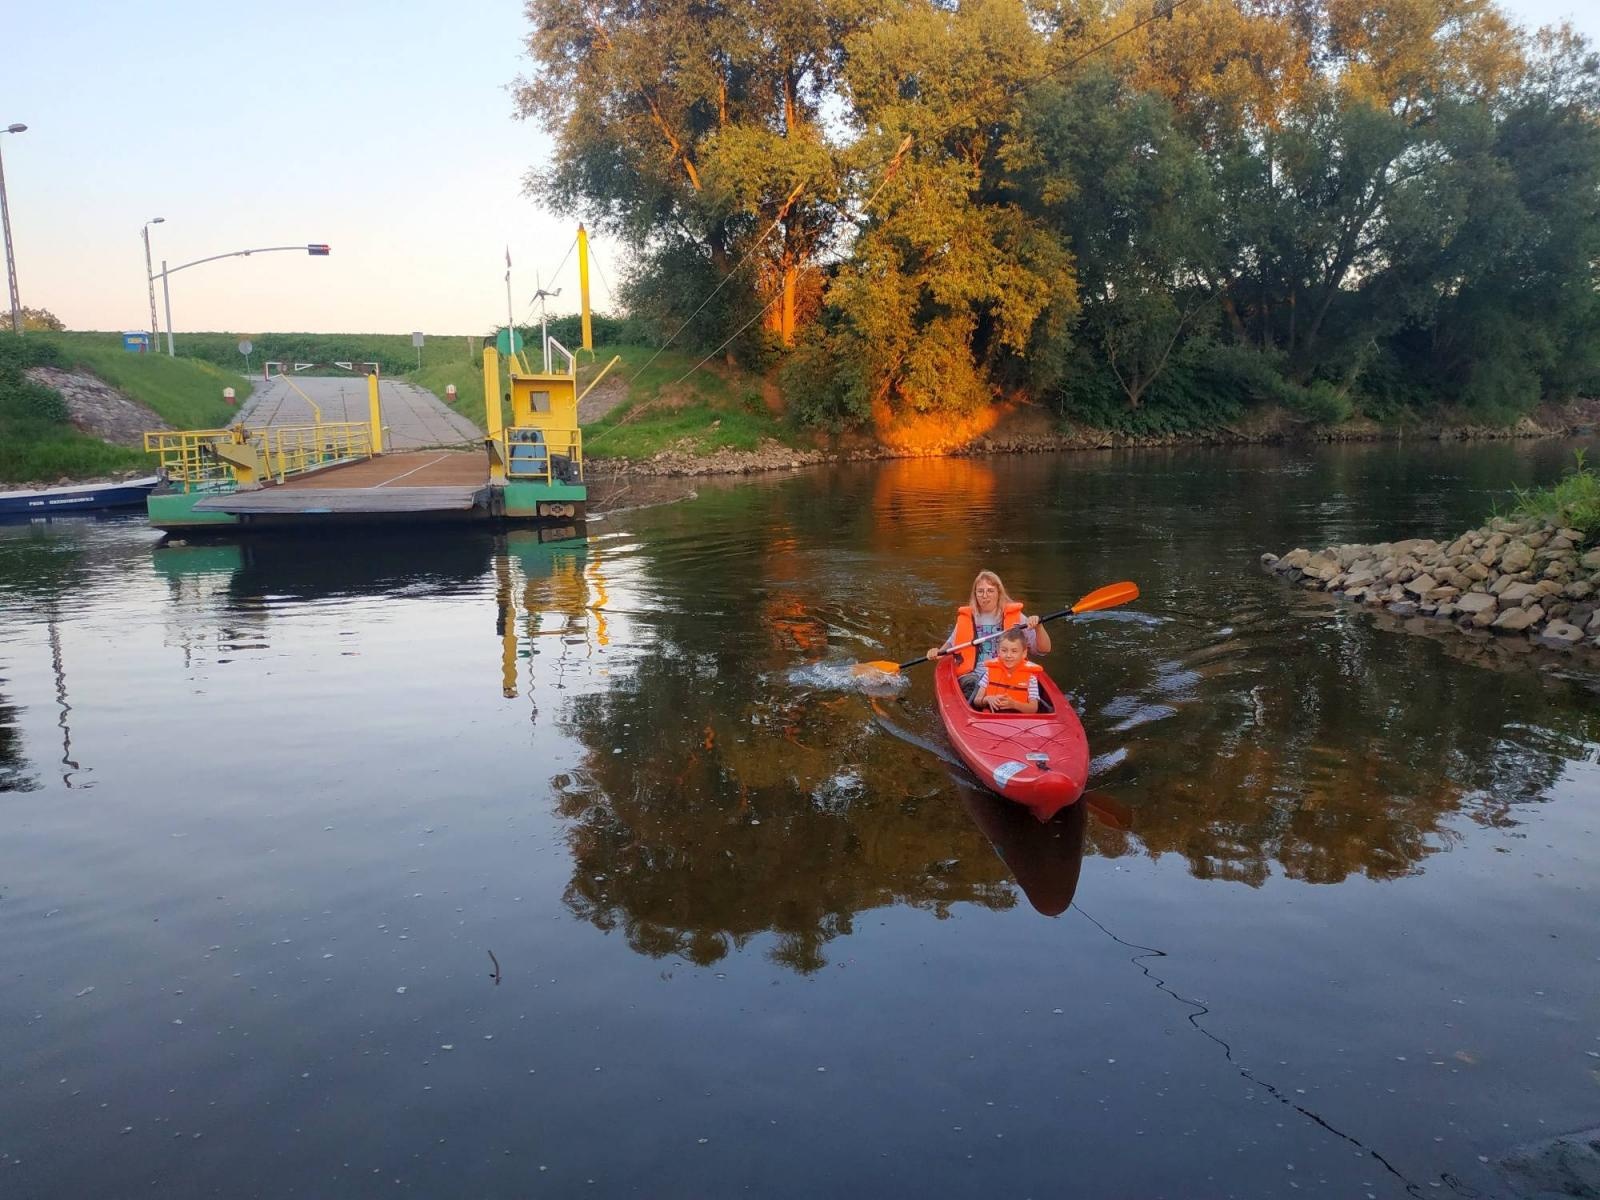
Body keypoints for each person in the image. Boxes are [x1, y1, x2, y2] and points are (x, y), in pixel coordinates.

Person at [926, 570, 1052, 700]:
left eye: (990, 591)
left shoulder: (1017, 618)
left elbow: (1044, 650)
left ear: (999, 593)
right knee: (970, 687)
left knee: (1032, 689)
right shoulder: (967, 618)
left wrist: (1039, 627)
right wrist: (937, 652)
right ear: (975, 594)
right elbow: (950, 646)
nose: (985, 595)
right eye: (980, 591)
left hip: (1009, 673)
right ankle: (982, 701)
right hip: (973, 675)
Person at [971, 628, 1042, 714]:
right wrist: (987, 699)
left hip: (1019, 722)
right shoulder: (989, 673)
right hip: (990, 719)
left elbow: (1033, 709)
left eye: (1014, 651)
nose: (1008, 655)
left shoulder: (1031, 678)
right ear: (998, 652)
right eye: (1004, 650)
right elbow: (976, 701)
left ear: (1024, 653)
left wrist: (1014, 704)